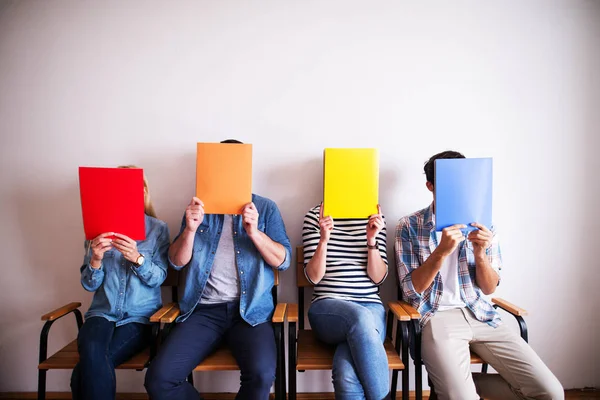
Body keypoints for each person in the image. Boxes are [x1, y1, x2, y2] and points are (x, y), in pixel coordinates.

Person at [395, 151, 564, 400]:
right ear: (430, 186)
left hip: (481, 313)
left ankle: (454, 383)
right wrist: (440, 253)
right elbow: (412, 289)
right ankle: (454, 385)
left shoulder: (483, 225)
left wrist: (480, 253)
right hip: (437, 316)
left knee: (551, 392)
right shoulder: (409, 225)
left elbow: (489, 288)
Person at [145, 140, 292, 400]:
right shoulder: (197, 210)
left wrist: (254, 232)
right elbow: (177, 262)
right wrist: (190, 230)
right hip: (202, 312)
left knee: (261, 376)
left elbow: (284, 260)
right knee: (159, 379)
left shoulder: (265, 208)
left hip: (250, 312)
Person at [71, 166, 170, 400]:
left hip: (140, 318)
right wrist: (95, 258)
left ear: (143, 191)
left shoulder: (157, 229)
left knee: (81, 374)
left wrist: (138, 258)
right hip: (101, 314)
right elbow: (89, 285)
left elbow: (159, 278)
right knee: (92, 355)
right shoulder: (97, 230)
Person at [303, 202, 390, 400]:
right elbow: (312, 278)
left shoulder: (375, 216)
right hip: (327, 307)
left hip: (370, 307)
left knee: (346, 374)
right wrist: (324, 240)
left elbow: (379, 278)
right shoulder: (315, 215)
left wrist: (372, 240)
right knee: (360, 317)